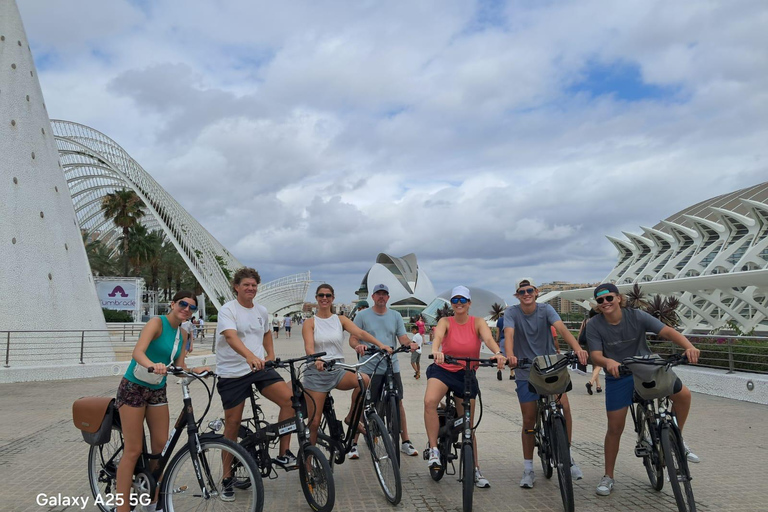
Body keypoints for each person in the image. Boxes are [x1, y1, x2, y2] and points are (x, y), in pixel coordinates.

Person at [586, 283, 701, 497]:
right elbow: (595, 354)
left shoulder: (636, 316)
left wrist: (689, 347)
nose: (605, 303)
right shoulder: (594, 325)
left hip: (646, 368)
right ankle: (608, 476)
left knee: (683, 395)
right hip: (619, 374)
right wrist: (608, 361)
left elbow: (666, 331)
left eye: (609, 298)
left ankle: (677, 439)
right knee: (615, 427)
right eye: (600, 301)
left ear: (618, 298)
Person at [115, 291, 206, 512]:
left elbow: (180, 367)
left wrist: (195, 370)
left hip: (157, 389)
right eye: (183, 304)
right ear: (173, 304)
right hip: (134, 387)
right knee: (133, 449)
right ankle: (122, 507)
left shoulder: (182, 334)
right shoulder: (157, 323)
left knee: (160, 449)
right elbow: (138, 352)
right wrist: (152, 364)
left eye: (191, 307)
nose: (186, 309)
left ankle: (153, 502)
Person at [216, 267, 298, 500]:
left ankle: (284, 453)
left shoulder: (261, 310)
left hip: (259, 368)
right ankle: (226, 477)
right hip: (233, 372)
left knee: (290, 401)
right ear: (236, 287)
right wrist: (248, 356)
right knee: (232, 425)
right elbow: (231, 336)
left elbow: (266, 333)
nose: (250, 288)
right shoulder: (228, 310)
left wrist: (269, 354)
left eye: (253, 285)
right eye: (246, 285)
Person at [504, 278, 588, 489]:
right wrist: (511, 356)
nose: (526, 294)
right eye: (521, 291)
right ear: (517, 295)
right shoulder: (512, 313)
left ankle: (567, 457)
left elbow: (562, 329)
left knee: (564, 408)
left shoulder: (546, 309)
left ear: (536, 291)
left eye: (529, 290)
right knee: (529, 419)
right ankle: (529, 468)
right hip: (525, 370)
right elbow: (509, 335)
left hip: (550, 366)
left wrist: (577, 348)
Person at [425, 286, 506, 488]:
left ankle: (475, 469)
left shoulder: (477, 322)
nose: (459, 304)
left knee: (468, 425)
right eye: (455, 300)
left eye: (463, 300)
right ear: (451, 304)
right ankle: (434, 450)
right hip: (444, 369)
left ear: (469, 303)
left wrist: (498, 352)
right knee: (430, 401)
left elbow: (488, 339)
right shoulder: (446, 321)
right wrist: (436, 351)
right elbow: (438, 338)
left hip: (466, 373)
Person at [303, 284, 389, 447]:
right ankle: (308, 463)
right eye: (321, 295)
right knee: (314, 422)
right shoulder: (310, 322)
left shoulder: (340, 319)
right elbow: (309, 346)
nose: (324, 298)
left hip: (337, 370)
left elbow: (360, 333)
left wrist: (380, 345)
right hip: (317, 373)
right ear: (316, 298)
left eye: (328, 295)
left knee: (364, 379)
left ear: (333, 298)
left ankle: (351, 418)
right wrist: (316, 359)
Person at [349, 284, 419, 459]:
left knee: (398, 403)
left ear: (388, 298)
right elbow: (353, 338)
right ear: (373, 297)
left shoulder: (395, 316)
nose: (381, 297)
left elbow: (402, 337)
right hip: (369, 365)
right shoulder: (362, 316)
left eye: (384, 294)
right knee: (363, 403)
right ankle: (353, 443)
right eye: (378, 294)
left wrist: (409, 344)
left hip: (391, 365)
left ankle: (405, 441)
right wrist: (358, 346)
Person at [579, 310, 602, 394]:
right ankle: (590, 382)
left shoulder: (585, 321)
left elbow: (580, 333)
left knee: (595, 366)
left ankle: (598, 386)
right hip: (596, 345)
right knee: (599, 364)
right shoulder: (598, 321)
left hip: (586, 345)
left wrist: (578, 347)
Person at [495, 312, 515, 381]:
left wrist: (497, 340)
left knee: (501, 356)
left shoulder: (500, 320)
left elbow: (498, 331)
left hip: (502, 340)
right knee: (511, 356)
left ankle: (499, 371)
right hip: (510, 339)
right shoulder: (511, 319)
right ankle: (512, 374)